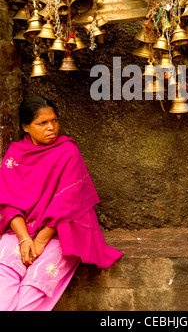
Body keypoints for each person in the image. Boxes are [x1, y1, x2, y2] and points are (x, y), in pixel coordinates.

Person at [0, 95, 123, 311]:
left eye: (54, 121)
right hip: (21, 229)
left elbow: (69, 203)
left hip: (61, 231)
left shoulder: (68, 152)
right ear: (26, 127)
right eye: (42, 123)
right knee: (4, 275)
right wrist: (24, 239)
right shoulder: (15, 153)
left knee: (35, 284)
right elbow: (7, 202)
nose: (51, 128)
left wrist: (39, 241)